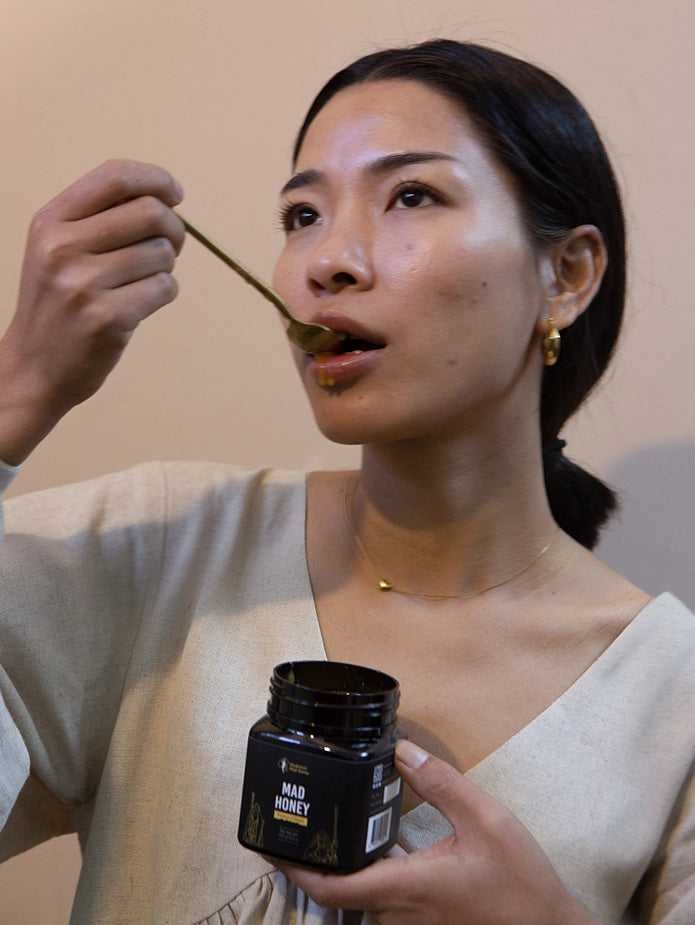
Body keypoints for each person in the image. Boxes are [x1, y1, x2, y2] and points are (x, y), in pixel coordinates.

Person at [0, 38, 693, 925]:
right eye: (301, 215)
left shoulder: (670, 695)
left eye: (411, 195)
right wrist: (21, 386)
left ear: (565, 275)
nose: (329, 260)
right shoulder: (161, 547)